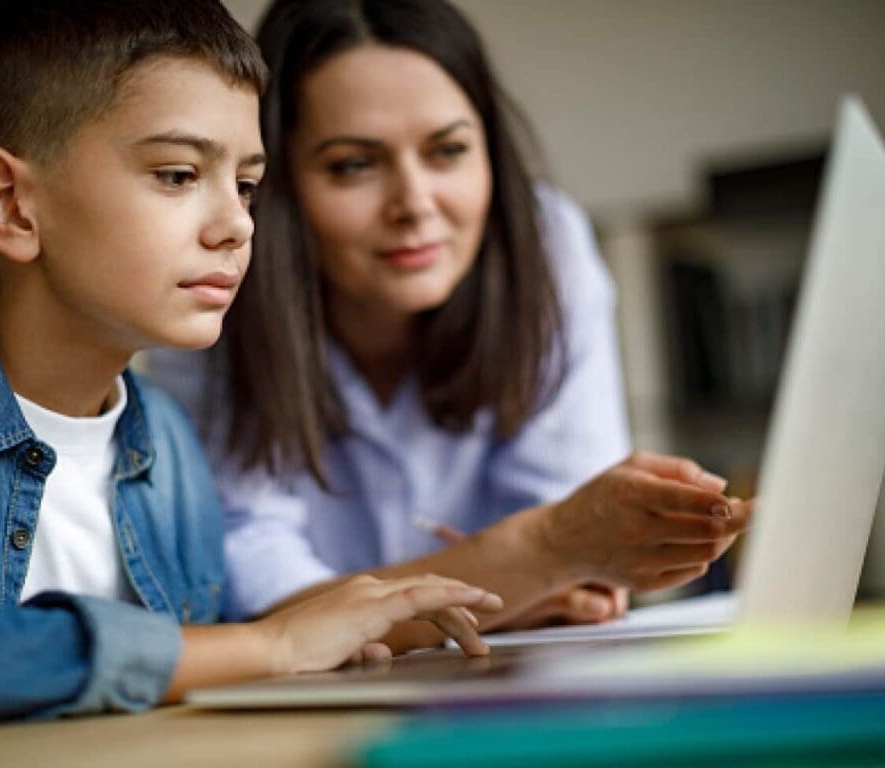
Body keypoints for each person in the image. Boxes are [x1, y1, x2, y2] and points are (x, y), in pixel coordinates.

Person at [0, 0, 506, 736]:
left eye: (247, 185)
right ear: (11, 205)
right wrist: (269, 645)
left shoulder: (167, 444)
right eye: (177, 174)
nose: (236, 224)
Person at [150, 0, 751, 647]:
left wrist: (536, 563)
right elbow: (255, 595)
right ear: (277, 182)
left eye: (449, 150)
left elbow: (585, 578)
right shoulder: (217, 281)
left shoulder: (545, 244)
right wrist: (534, 560)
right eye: (354, 164)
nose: (414, 203)